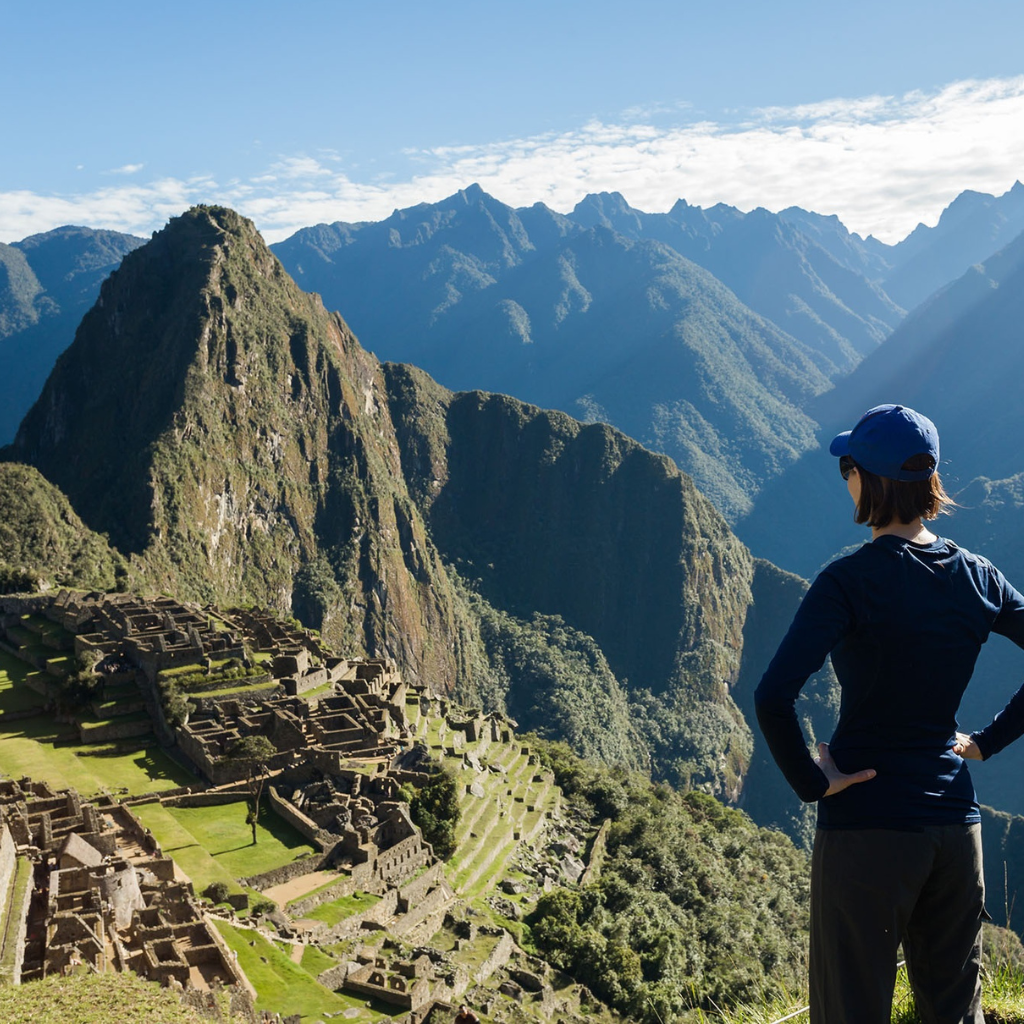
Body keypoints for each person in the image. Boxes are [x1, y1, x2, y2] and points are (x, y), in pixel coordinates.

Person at [754, 403, 1024, 1024]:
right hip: (956, 828)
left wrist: (814, 782)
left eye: (848, 466)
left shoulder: (848, 583)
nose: (844, 477)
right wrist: (986, 743)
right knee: (955, 1011)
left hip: (867, 829)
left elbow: (773, 696)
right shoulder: (979, 577)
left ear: (868, 480)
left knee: (852, 1008)